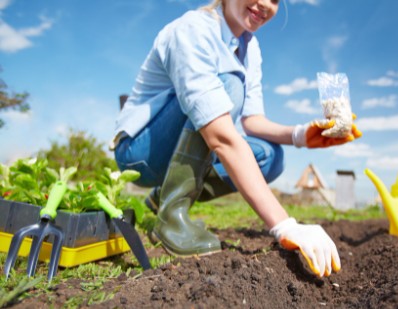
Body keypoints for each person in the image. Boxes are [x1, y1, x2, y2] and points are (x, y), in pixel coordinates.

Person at [111, 0, 362, 278]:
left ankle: (162, 197)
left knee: (271, 156)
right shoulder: (192, 29)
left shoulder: (249, 47)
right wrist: (285, 225)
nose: (265, 4)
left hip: (179, 143)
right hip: (140, 152)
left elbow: (252, 121)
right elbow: (219, 135)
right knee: (229, 83)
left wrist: (301, 135)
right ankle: (171, 217)